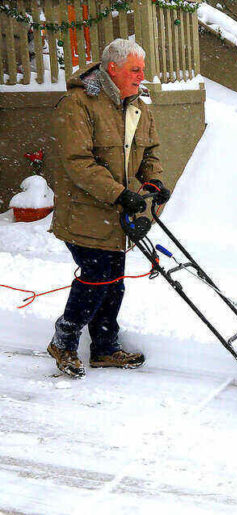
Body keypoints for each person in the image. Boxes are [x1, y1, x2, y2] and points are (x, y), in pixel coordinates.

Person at [47, 39, 171, 379]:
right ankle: (65, 340)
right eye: (135, 69)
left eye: (142, 70)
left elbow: (151, 152)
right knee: (98, 275)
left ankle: (104, 348)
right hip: (86, 211)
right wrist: (119, 194)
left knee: (113, 280)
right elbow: (78, 162)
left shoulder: (138, 106)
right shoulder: (79, 103)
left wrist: (154, 183)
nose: (141, 76)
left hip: (118, 214)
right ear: (112, 69)